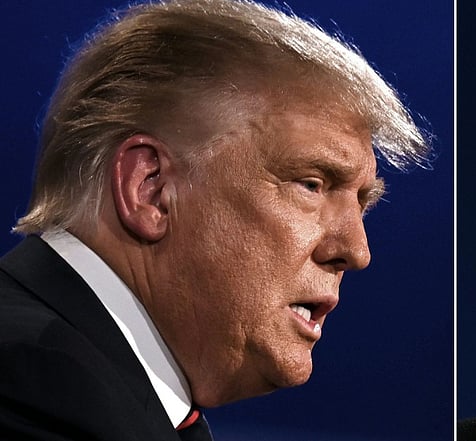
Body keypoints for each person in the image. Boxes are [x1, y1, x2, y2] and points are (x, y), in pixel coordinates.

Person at [0, 0, 429, 439]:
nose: (357, 251)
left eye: (363, 203)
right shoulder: (33, 385)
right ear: (150, 189)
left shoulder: (103, 388)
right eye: (311, 185)